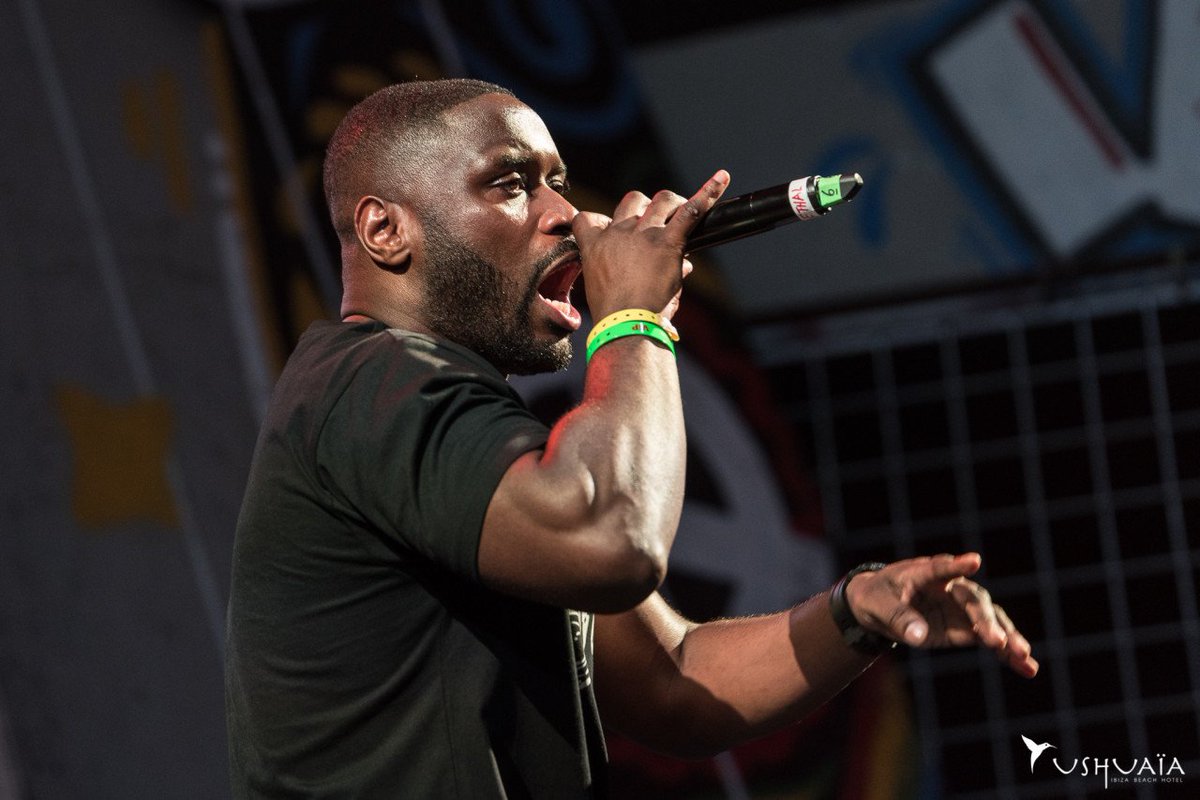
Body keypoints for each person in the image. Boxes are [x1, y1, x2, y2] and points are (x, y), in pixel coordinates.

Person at [224, 78, 1038, 798]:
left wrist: (857, 610)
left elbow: (673, 682)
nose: (568, 218)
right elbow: (613, 540)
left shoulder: (461, 423)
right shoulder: (370, 384)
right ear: (385, 231)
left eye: (561, 184)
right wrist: (633, 319)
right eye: (511, 185)